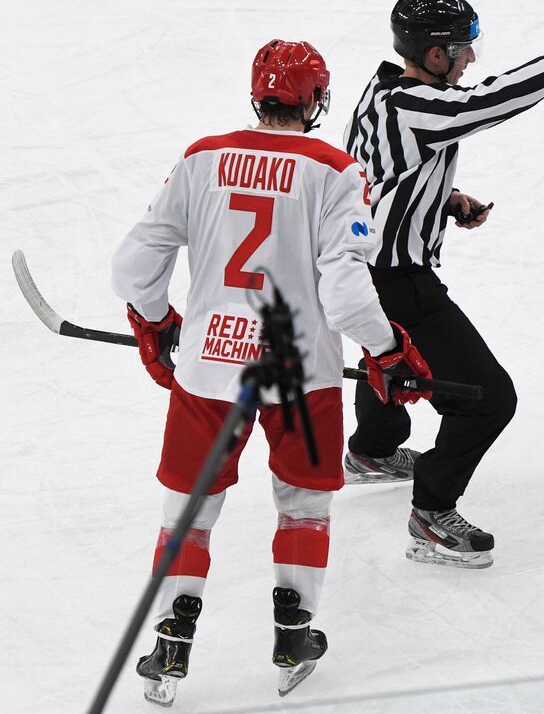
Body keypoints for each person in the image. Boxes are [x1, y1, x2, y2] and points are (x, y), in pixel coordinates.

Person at [110, 40, 431, 702]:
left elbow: (134, 263)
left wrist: (157, 320)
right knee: (304, 510)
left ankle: (171, 641)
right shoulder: (337, 170)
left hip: (208, 369)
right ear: (315, 100)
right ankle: (293, 632)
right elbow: (344, 295)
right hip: (300, 373)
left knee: (187, 516)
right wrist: (387, 348)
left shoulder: (202, 158)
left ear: (257, 96)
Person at [342, 0, 544, 566]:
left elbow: (375, 175)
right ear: (435, 55)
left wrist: (441, 201)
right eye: (462, 50)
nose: (470, 60)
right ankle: (432, 511)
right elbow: (495, 100)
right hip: (395, 280)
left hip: (360, 274)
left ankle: (371, 450)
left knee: (386, 354)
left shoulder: (382, 89)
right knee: (488, 399)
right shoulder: (422, 106)